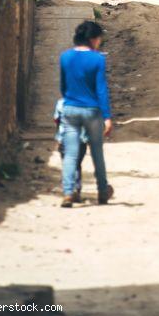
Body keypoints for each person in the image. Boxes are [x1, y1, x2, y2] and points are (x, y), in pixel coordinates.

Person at [59, 20, 113, 208]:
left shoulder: (65, 57)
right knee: (97, 153)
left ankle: (68, 192)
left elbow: (63, 87)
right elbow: (101, 90)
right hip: (92, 111)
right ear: (92, 39)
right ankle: (102, 192)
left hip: (70, 110)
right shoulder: (97, 59)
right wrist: (107, 116)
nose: (99, 42)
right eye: (98, 39)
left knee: (71, 154)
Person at [54, 97, 88, 203]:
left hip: (65, 139)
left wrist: (58, 138)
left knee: (67, 164)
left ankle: (68, 192)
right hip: (81, 140)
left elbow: (57, 120)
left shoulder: (61, 103)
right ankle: (76, 190)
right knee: (77, 164)